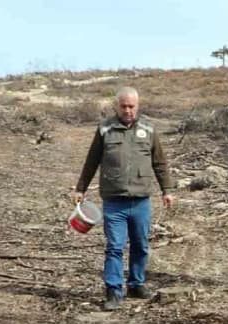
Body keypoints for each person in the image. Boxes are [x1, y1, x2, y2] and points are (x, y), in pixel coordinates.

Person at [73, 87, 175, 311]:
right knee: (115, 247)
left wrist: (167, 189)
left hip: (141, 201)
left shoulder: (148, 128)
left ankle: (136, 284)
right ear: (116, 106)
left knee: (141, 245)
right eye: (124, 106)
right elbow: (92, 161)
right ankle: (113, 290)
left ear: (138, 106)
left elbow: (160, 162)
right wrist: (81, 188)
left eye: (132, 106)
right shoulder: (105, 128)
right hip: (114, 201)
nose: (128, 110)